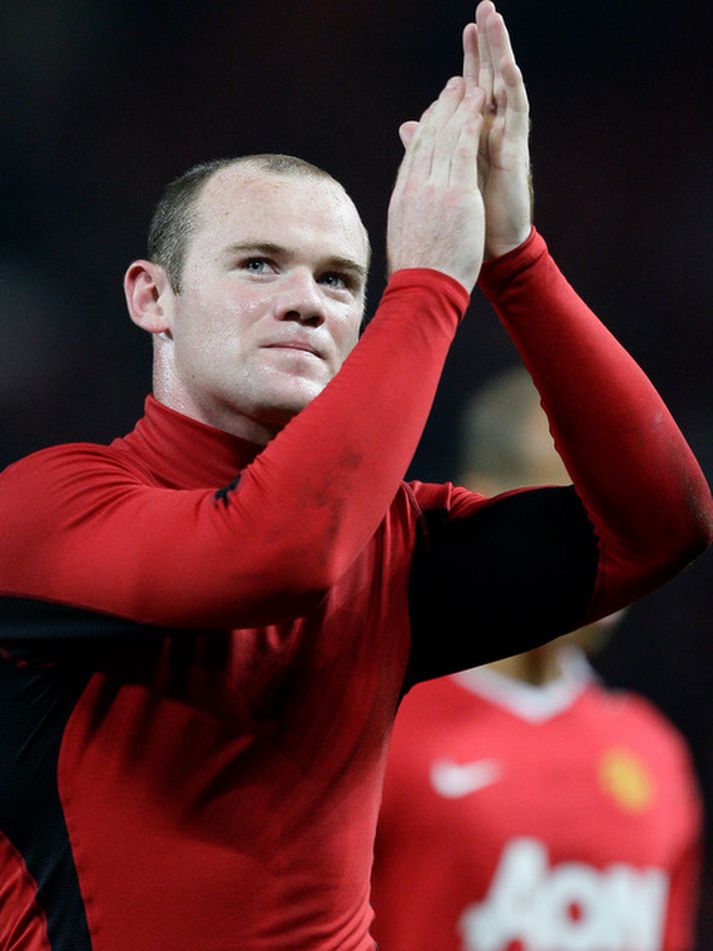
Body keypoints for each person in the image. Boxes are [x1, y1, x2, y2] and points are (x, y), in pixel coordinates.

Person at [0, 2, 710, 949]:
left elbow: (661, 524)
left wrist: (513, 260)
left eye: (339, 280)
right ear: (152, 296)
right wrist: (429, 287)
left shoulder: (390, 548)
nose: (306, 303)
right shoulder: (45, 509)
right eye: (260, 264)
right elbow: (275, 555)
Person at [371, 367, 704, 951]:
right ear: (487, 505)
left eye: (629, 512)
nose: (622, 542)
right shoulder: (375, 732)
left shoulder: (656, 753)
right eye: (585, 513)